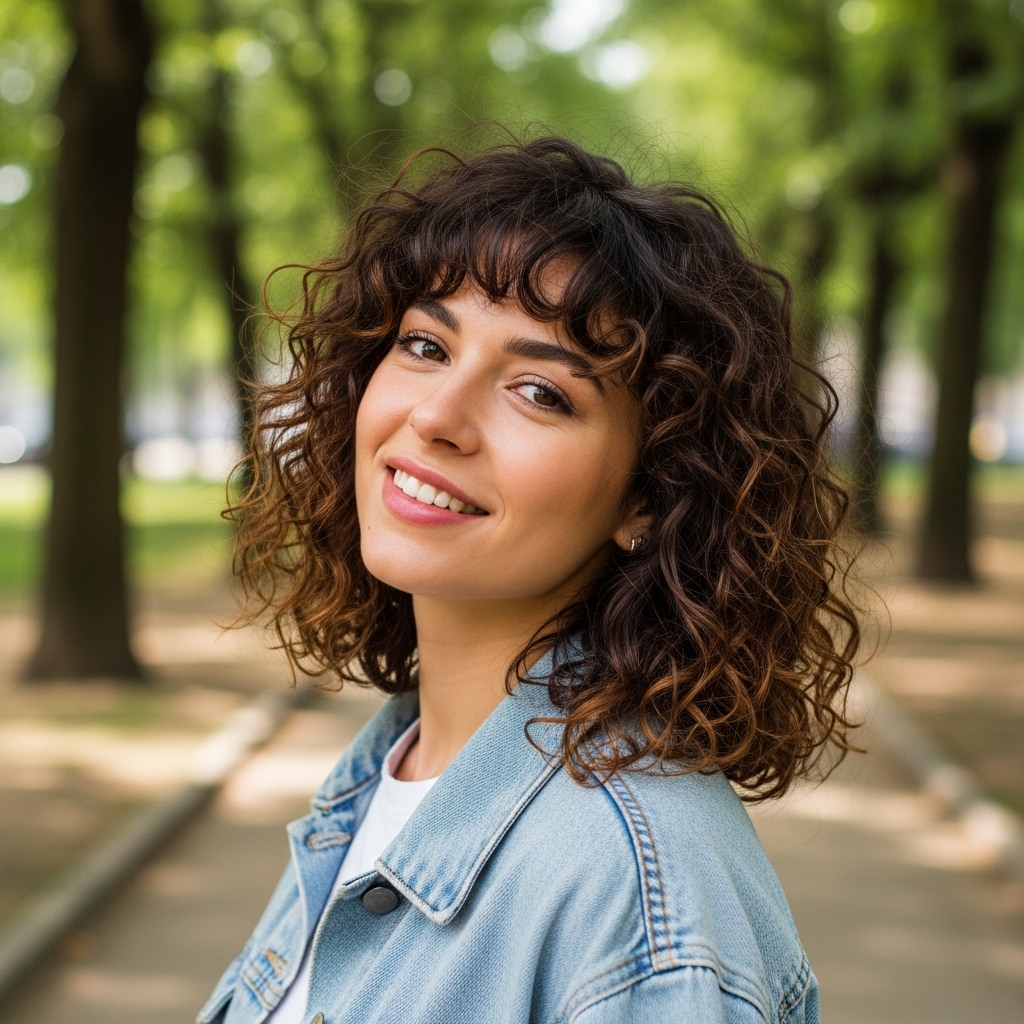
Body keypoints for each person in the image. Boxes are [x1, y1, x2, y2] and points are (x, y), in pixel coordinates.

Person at [198, 137, 859, 1024]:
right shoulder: (385, 778)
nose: (436, 416)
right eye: (426, 345)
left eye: (541, 393)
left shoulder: (634, 904)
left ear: (652, 499)